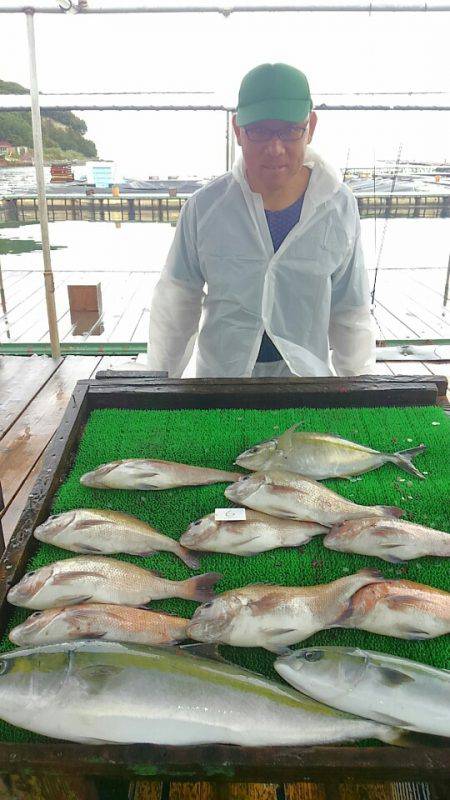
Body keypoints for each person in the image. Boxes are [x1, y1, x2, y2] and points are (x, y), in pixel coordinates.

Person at [148, 62, 375, 378]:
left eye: (289, 130)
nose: (275, 148)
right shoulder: (203, 207)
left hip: (306, 382)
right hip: (221, 383)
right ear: (238, 130)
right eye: (259, 132)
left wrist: (360, 385)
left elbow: (350, 310)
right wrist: (158, 381)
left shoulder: (339, 206)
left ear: (310, 126)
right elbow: (177, 302)